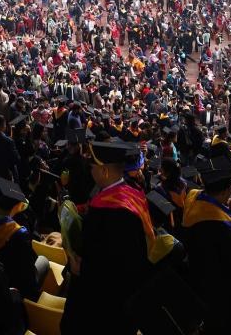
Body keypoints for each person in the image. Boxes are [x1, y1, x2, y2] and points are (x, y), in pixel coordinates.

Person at [61, 139, 154, 335]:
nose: (90, 170)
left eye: (93, 166)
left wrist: (80, 267)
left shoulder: (114, 212)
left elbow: (112, 264)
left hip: (107, 303)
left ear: (104, 171)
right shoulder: (132, 194)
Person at [180, 159, 231, 335]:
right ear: (226, 191)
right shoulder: (223, 226)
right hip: (215, 287)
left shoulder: (192, 197)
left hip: (193, 270)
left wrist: (222, 208)